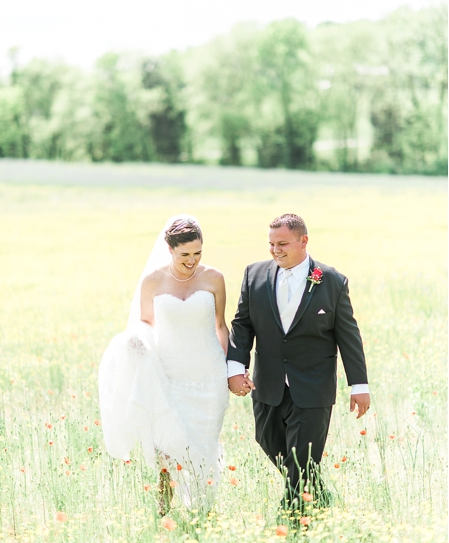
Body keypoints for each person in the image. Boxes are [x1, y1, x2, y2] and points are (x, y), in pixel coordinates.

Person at [226, 213, 369, 514]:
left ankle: (294, 522)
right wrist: (236, 368)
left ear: (303, 241)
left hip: (312, 387)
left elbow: (349, 336)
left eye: (282, 243)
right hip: (268, 384)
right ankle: (317, 496)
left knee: (302, 459)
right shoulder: (255, 275)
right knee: (267, 440)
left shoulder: (331, 281)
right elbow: (242, 324)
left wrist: (359, 385)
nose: (276, 250)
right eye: (271, 244)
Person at [98, 215, 230, 514]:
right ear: (169, 249)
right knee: (166, 449)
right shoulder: (153, 281)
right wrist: (137, 345)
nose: (192, 260)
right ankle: (164, 510)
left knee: (204, 448)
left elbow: (221, 325)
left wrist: (226, 369)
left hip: (208, 374)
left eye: (197, 253)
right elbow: (145, 323)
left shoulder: (214, 278)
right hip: (168, 374)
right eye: (185, 254)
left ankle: (203, 511)